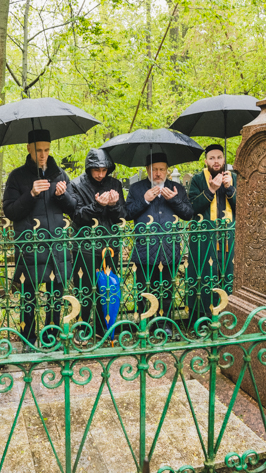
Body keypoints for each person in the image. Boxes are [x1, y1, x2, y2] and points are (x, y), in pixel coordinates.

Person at [3, 129, 76, 345]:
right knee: (28, 298)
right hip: (31, 248)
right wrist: (32, 194)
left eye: (46, 150)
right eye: (38, 150)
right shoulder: (17, 177)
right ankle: (28, 339)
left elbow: (74, 208)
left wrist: (63, 196)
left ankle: (51, 338)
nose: (43, 155)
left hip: (56, 247)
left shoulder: (60, 175)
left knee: (55, 298)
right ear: (29, 149)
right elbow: (10, 211)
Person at [125, 153, 195, 334]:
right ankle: (145, 325)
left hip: (169, 249)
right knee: (144, 291)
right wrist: (145, 199)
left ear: (167, 170)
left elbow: (188, 214)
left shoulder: (176, 188)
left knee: (166, 291)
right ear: (147, 170)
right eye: (154, 169)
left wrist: (174, 200)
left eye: (161, 169)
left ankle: (165, 325)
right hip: (144, 250)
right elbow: (127, 214)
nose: (158, 173)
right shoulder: (136, 189)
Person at [66, 149, 126, 336]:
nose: (100, 174)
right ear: (89, 168)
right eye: (96, 170)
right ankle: (82, 329)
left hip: (109, 244)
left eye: (104, 170)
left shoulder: (115, 184)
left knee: (107, 288)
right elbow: (76, 215)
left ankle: (103, 328)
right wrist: (97, 205)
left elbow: (122, 217)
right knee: (84, 288)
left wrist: (114, 206)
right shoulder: (76, 184)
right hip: (85, 245)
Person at [187, 144, 237, 322]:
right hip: (205, 239)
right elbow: (192, 208)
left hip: (229, 239)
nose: (216, 161)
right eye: (212, 158)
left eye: (219, 157)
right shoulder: (198, 179)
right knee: (204, 275)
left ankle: (228, 315)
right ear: (206, 161)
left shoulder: (233, 178)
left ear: (224, 159)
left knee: (228, 275)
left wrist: (230, 188)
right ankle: (203, 317)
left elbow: (244, 208)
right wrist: (211, 190)